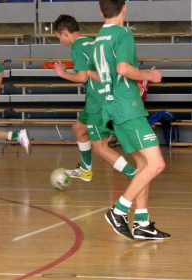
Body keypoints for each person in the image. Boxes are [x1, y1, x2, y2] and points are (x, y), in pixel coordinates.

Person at [88, 0, 170, 240]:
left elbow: (95, 73)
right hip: (128, 107)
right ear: (125, 8)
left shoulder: (98, 39)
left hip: (112, 107)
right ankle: (119, 210)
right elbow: (123, 69)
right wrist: (150, 76)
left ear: (101, 12)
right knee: (156, 164)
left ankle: (142, 222)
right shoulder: (123, 33)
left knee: (143, 167)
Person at [52, 14, 136, 182]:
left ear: (65, 32)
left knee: (100, 148)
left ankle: (134, 175)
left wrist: (63, 74)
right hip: (104, 96)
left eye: (59, 37)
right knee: (79, 129)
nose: (61, 42)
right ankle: (85, 169)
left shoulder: (76, 47)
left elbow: (82, 77)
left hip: (98, 102)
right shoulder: (92, 42)